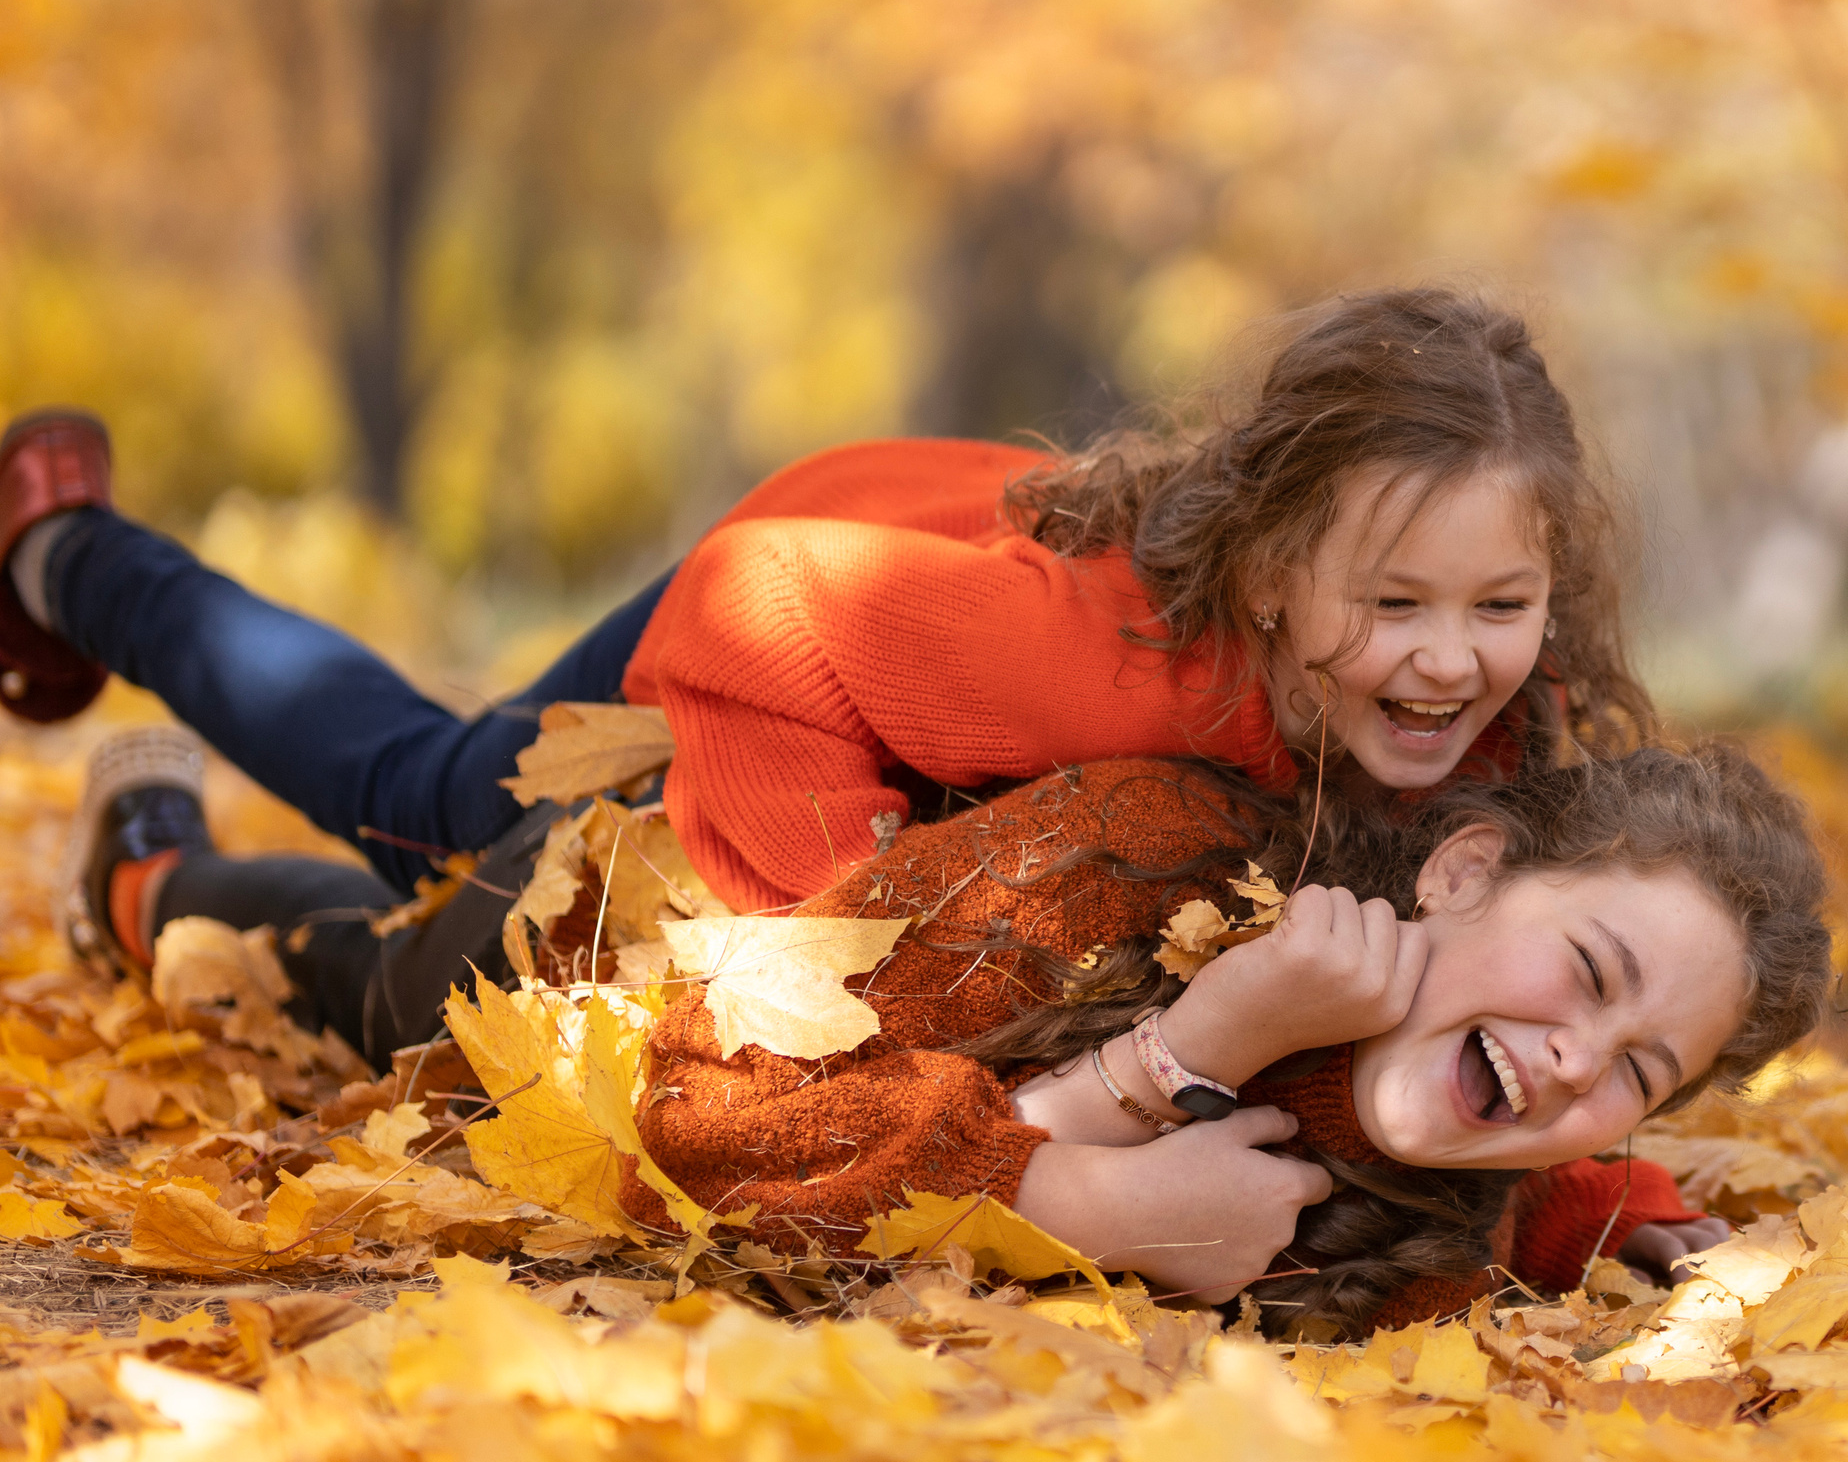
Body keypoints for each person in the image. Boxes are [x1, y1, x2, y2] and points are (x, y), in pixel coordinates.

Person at [2, 287, 1649, 1061]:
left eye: (1501, 601)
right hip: (808, 601)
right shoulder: (1127, 669)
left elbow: (1525, 958)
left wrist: (1606, 1198)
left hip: (895, 612)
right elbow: (765, 604)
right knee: (429, 809)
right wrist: (829, 949)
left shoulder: (1509, 709)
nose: (1452, 660)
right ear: (1281, 578)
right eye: (1398, 603)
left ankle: (146, 852)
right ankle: (62, 554)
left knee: (436, 847)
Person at [626, 745, 1833, 1337]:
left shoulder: (1437, 1261)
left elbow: (1565, 1181)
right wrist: (1079, 1193)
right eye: (1588, 972)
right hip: (559, 889)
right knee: (436, 773)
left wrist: (1626, 1226)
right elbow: (696, 1125)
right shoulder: (1147, 851)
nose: (1578, 1060)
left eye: (1637, 1071)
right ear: (1464, 873)